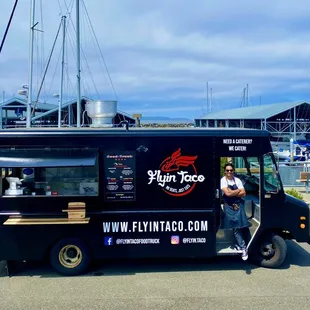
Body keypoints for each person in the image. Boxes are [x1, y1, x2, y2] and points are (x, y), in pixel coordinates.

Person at [220, 163, 250, 261]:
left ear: (233, 171)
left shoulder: (237, 180)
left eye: (231, 170)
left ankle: (241, 244)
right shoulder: (223, 180)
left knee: (243, 226)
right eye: (227, 170)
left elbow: (244, 193)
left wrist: (232, 192)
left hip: (239, 205)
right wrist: (237, 191)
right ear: (225, 171)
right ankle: (243, 247)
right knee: (236, 227)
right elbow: (227, 194)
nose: (229, 172)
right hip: (229, 207)